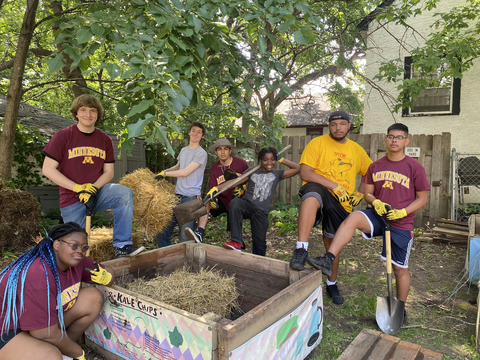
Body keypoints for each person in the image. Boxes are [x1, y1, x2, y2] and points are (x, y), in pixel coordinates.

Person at [306, 123, 429, 322]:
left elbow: (422, 198)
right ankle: (328, 259)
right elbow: (368, 193)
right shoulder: (375, 166)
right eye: (390, 136)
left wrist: (402, 212)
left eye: (399, 137)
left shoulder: (414, 167)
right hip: (378, 215)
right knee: (353, 217)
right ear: (385, 139)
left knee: (399, 269)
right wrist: (376, 201)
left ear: (406, 141)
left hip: (401, 222)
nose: (394, 140)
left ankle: (400, 307)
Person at [42, 94, 144, 258]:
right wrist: (78, 188)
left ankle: (122, 245)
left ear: (98, 114)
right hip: (72, 198)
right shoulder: (63, 136)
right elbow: (48, 169)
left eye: (92, 110)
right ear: (76, 113)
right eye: (83, 110)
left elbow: (109, 172)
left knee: (124, 193)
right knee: (75, 248)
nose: (88, 114)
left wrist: (92, 188)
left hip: (97, 193)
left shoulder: (105, 140)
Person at [288, 110, 372, 305]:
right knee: (311, 196)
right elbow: (306, 173)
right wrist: (334, 185)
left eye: (342, 124)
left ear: (349, 125)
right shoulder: (317, 143)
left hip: (342, 203)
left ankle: (332, 283)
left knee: (332, 244)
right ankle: (301, 249)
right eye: (334, 124)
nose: (338, 127)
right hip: (322, 190)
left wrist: (360, 193)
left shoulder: (356, 150)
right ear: (329, 126)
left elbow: (371, 173)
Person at [0, 222, 115, 360]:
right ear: (56, 245)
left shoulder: (77, 261)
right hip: (9, 330)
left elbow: (109, 271)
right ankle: (58, 351)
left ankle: (64, 350)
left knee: (92, 298)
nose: (80, 250)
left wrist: (107, 277)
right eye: (74, 245)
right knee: (51, 357)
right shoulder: (39, 273)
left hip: (39, 324)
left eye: (84, 247)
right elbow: (43, 332)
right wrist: (78, 353)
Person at [222, 147, 300, 256]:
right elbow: (236, 182)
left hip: (261, 212)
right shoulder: (252, 171)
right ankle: (236, 241)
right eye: (265, 160)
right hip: (248, 205)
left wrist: (281, 159)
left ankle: (259, 267)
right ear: (259, 161)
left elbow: (297, 168)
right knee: (235, 203)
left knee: (259, 245)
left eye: (272, 159)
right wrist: (217, 188)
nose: (269, 163)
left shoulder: (277, 174)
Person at [184, 138, 249, 244]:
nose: (222, 152)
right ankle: (200, 233)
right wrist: (212, 199)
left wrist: (244, 187)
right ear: (215, 151)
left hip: (239, 200)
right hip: (223, 200)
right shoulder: (214, 169)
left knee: (235, 205)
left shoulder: (240, 163)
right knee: (206, 202)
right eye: (219, 149)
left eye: (225, 149)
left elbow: (251, 178)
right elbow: (212, 189)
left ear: (230, 151)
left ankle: (237, 240)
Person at [155, 122, 208, 247]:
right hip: (176, 197)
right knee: (161, 232)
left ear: (202, 136)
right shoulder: (184, 150)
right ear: (189, 132)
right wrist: (162, 173)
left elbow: (185, 172)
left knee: (186, 237)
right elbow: (178, 167)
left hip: (190, 198)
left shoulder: (201, 153)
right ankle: (168, 259)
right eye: (193, 130)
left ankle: (186, 266)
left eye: (199, 132)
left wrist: (166, 174)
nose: (195, 133)